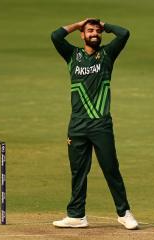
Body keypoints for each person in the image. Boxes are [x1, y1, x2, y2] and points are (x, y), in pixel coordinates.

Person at [51, 19, 138, 230]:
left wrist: (105, 24)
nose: (95, 34)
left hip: (101, 124)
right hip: (77, 125)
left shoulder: (107, 54)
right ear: (82, 34)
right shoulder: (73, 55)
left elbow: (124, 33)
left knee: (110, 168)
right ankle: (76, 215)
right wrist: (79, 24)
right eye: (90, 31)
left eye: (98, 31)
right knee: (78, 171)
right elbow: (55, 36)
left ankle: (124, 213)